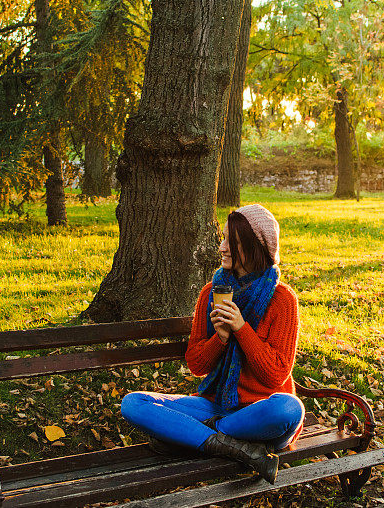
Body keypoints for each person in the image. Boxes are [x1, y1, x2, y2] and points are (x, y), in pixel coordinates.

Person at [120, 204, 305, 485]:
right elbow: (196, 365)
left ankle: (196, 434)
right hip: (215, 405)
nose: (222, 247)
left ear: (255, 247)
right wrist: (219, 339)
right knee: (134, 403)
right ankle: (229, 444)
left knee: (290, 409)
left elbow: (275, 375)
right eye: (223, 238)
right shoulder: (211, 293)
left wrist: (242, 329)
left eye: (232, 242)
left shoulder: (282, 300)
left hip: (259, 414)